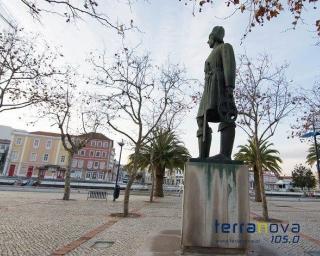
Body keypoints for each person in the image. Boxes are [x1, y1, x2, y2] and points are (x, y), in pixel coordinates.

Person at [196, 26, 237, 160]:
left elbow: (229, 66)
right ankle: (203, 156)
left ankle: (225, 154)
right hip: (208, 89)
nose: (208, 42)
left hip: (219, 85)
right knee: (201, 118)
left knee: (225, 114)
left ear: (214, 37)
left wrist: (229, 86)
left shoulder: (225, 47)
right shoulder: (212, 52)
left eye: (209, 38)